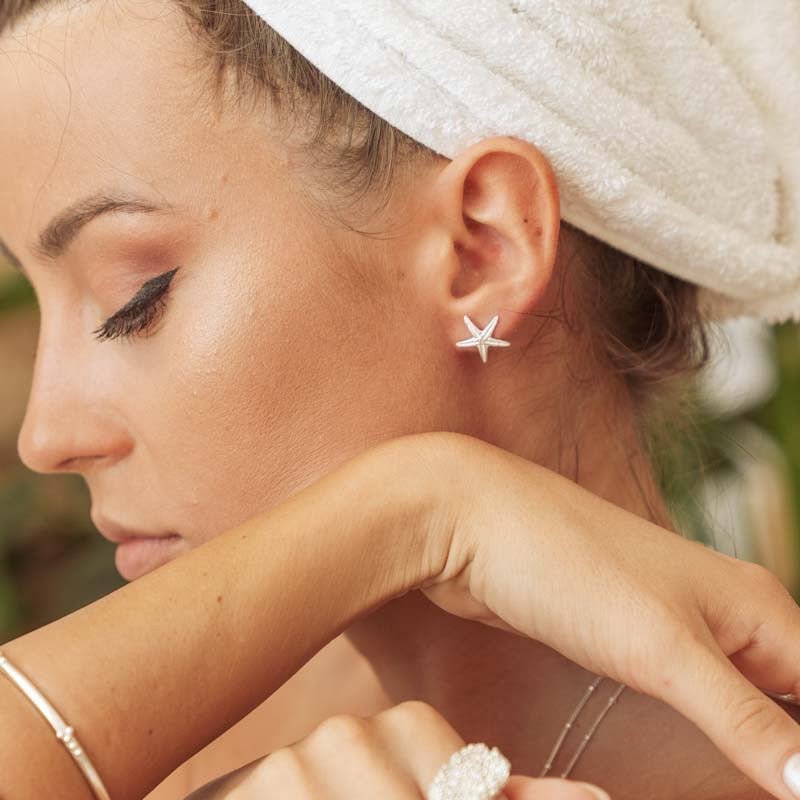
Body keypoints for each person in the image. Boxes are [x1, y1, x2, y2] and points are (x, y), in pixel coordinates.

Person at [1, 1, 800, 799]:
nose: (46, 436)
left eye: (133, 298)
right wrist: (421, 507)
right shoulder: (194, 737)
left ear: (480, 251)